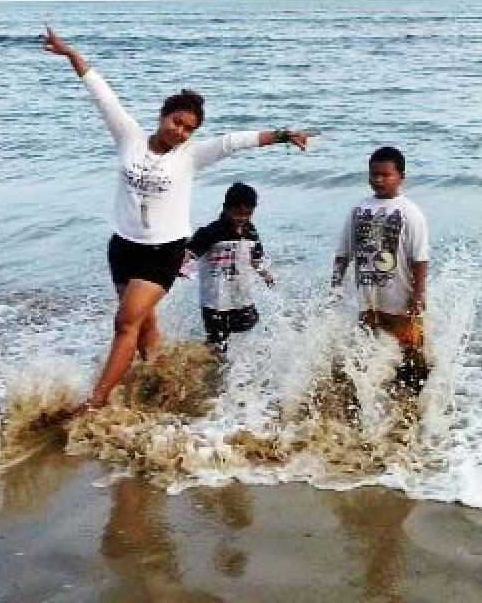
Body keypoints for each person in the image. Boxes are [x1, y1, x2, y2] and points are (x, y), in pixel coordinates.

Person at [42, 26, 312, 413]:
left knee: (125, 323)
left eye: (189, 128)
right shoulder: (129, 137)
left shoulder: (191, 156)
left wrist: (286, 134)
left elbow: (235, 142)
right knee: (145, 325)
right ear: (163, 116)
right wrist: (70, 54)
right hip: (123, 246)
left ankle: (96, 400)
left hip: (164, 251)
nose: (181, 132)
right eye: (177, 122)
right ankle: (165, 385)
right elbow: (100, 92)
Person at [331, 146, 430, 393]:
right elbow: (343, 253)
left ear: (401, 177)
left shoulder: (410, 213)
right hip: (368, 301)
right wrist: (335, 285)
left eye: (385, 175)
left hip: (399, 302)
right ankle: (367, 397)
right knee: (367, 351)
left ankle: (415, 401)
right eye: (373, 174)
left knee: (411, 355)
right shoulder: (359, 209)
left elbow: (420, 259)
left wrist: (418, 297)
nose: (378, 180)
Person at [184, 182, 275, 353]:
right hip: (214, 300)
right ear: (225, 208)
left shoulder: (251, 232)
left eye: (247, 214)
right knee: (218, 342)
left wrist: (265, 273)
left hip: (239, 295)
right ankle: (204, 359)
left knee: (248, 324)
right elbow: (191, 252)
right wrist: (181, 263)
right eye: (237, 213)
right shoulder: (210, 232)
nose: (242, 218)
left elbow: (256, 258)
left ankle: (204, 350)